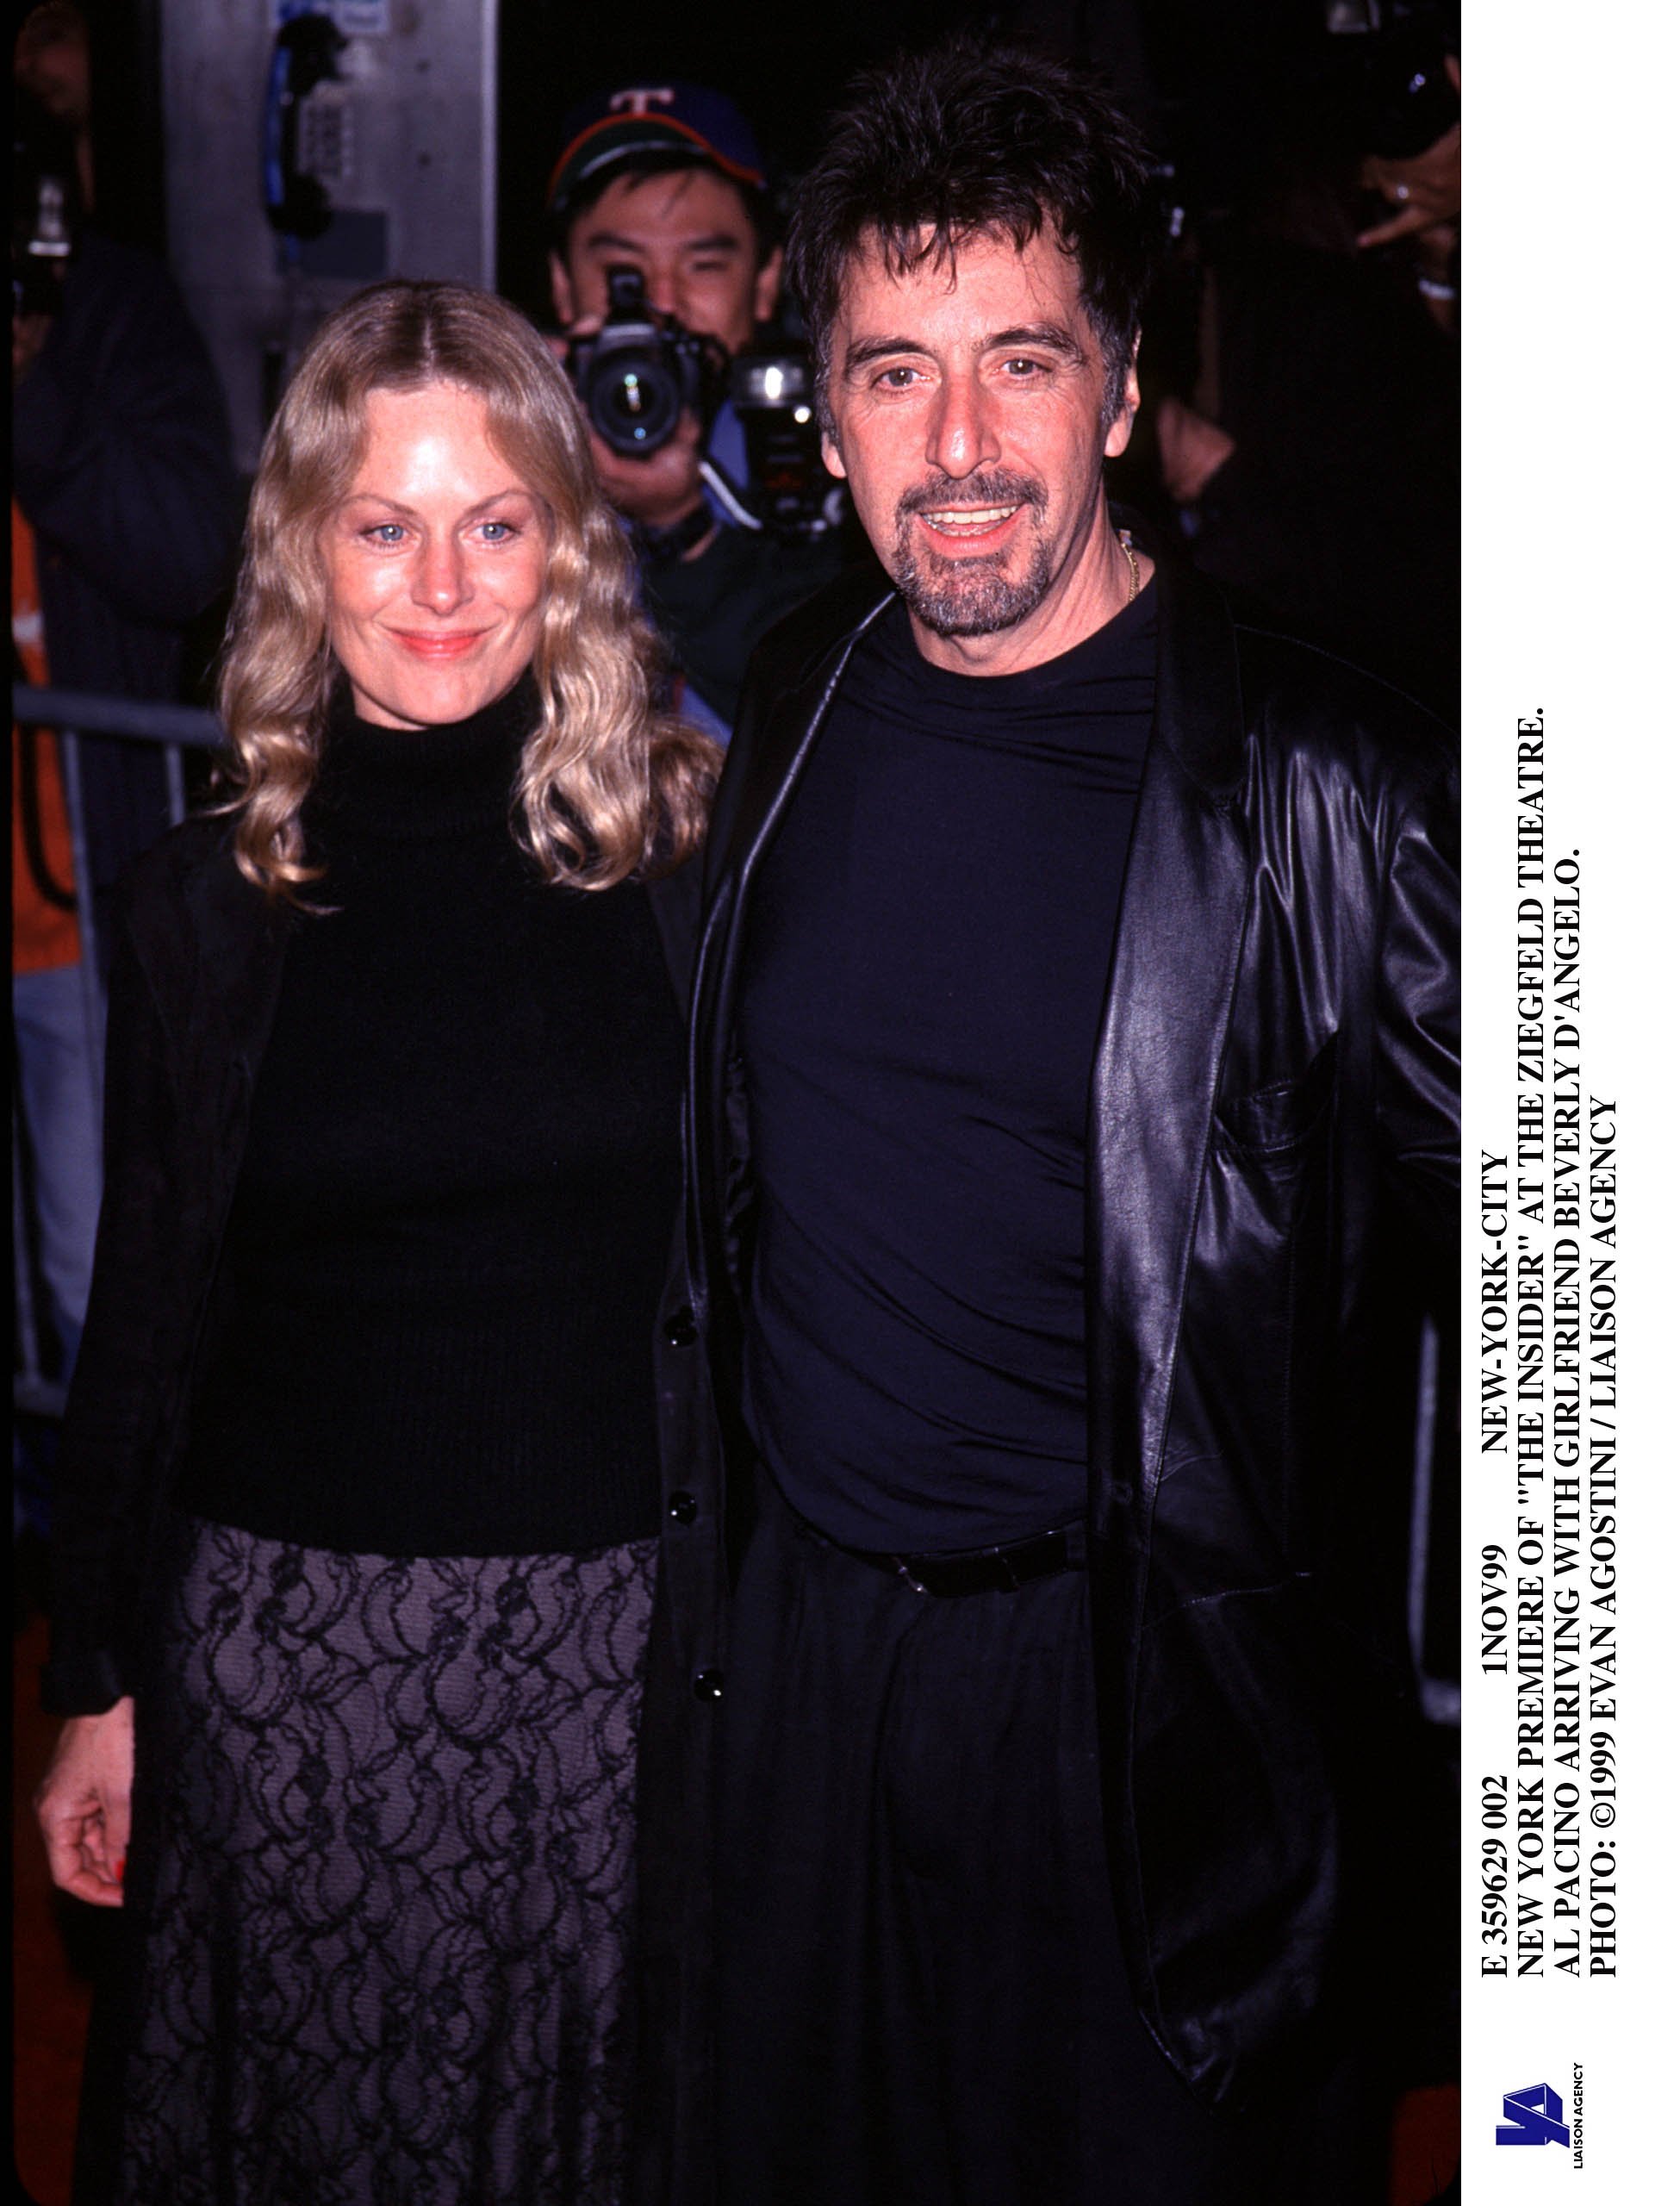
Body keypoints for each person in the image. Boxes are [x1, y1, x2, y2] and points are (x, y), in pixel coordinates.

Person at [638, 36, 1458, 2206]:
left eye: (1021, 361)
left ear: (1113, 391)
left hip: (1142, 1726)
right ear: (825, 403)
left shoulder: (1337, 788)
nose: (964, 444)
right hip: (804, 1684)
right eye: (897, 372)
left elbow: (1569, 1298)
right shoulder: (805, 683)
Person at [34, 278, 717, 2205]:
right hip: (293, 1677)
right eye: (383, 523)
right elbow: (147, 1309)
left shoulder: (689, 859)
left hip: (607, 1673)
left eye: (495, 522)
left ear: (565, 548)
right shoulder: (203, 898)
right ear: (304, 549)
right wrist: (96, 1674)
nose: (440, 583)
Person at [544, 78, 845, 736]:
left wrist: (682, 532)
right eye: (623, 274)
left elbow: (836, 704)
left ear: (766, 281)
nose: (664, 302)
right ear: (563, 285)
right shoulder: (513, 452)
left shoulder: (834, 455)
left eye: (703, 266)